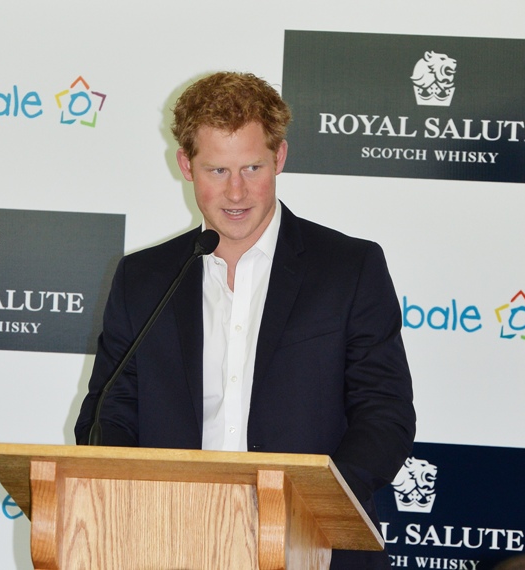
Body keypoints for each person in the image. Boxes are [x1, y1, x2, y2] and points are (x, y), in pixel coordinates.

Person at [75, 71, 416, 569]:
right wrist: (137, 504)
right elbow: (109, 414)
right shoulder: (143, 278)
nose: (236, 192)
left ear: (280, 158)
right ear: (186, 165)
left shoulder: (348, 268)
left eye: (252, 167)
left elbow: (385, 415)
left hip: (311, 545)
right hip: (168, 544)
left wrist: (308, 508)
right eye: (217, 170)